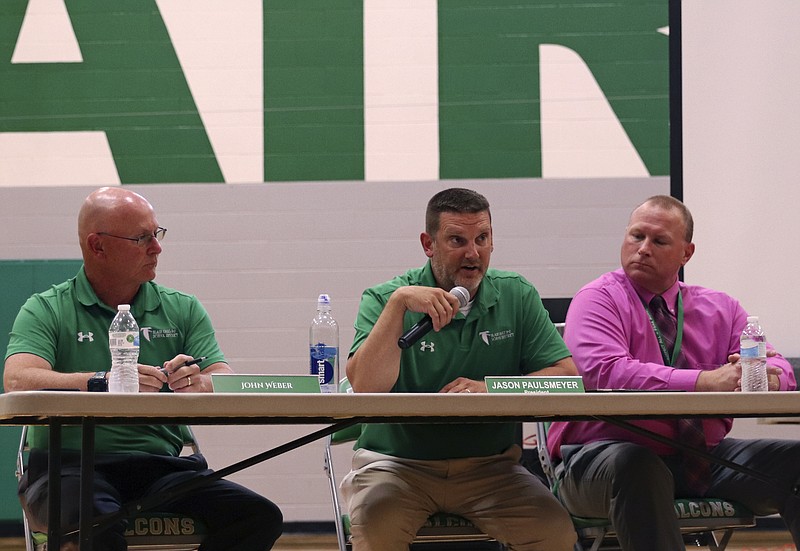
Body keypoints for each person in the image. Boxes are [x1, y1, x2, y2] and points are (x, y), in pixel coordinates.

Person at [4, 187, 283, 551]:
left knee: (258, 516)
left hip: (160, 468)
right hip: (67, 468)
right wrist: (103, 381)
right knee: (95, 525)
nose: (157, 247)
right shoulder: (47, 308)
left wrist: (199, 383)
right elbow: (18, 378)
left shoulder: (181, 308)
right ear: (97, 246)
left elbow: (223, 378)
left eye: (157, 233)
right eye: (141, 238)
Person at [547, 195, 800, 550]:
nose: (643, 249)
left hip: (699, 459)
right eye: (636, 236)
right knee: (637, 465)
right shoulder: (597, 298)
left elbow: (778, 365)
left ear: (686, 253)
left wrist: (768, 377)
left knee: (795, 462)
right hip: (597, 461)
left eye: (659, 241)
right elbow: (606, 373)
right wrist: (706, 382)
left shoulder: (722, 308)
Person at [341, 187, 578, 551]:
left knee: (554, 531)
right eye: (457, 240)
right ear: (428, 243)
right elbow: (366, 388)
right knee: (376, 531)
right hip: (396, 468)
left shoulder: (515, 295)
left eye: (482, 238)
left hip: (490, 470)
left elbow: (565, 375)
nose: (473, 253)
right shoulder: (386, 297)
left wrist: (493, 389)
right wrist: (399, 306)